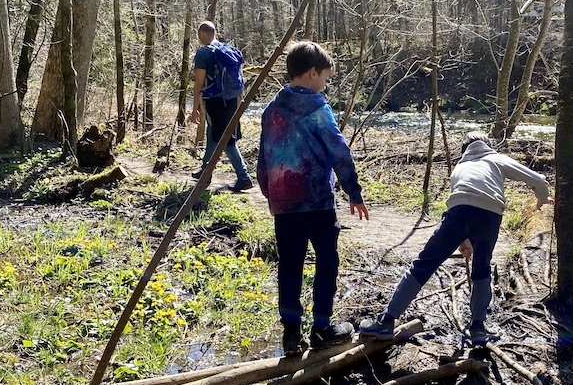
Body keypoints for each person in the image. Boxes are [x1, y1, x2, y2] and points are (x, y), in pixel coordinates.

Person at [360, 134, 552, 345]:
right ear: (486, 146)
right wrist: (541, 200)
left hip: (458, 213)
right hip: (490, 216)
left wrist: (463, 241)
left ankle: (387, 322)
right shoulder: (496, 159)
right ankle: (478, 328)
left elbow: (461, 203)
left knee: (423, 264)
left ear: (464, 151)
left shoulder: (459, 168)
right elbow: (539, 180)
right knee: (482, 269)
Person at [258, 41, 369, 356]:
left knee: (290, 265)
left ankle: (291, 334)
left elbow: (263, 158)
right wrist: (353, 191)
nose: (325, 85)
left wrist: (271, 194)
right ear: (312, 73)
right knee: (327, 260)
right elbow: (339, 151)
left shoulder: (271, 109)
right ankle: (321, 328)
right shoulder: (318, 108)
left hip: (283, 203)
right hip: (317, 201)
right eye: (325, 78)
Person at [189, 20, 254, 191]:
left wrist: (195, 107)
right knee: (214, 133)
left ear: (202, 34)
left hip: (215, 101)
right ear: (215, 33)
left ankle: (243, 176)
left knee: (226, 140)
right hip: (232, 99)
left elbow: (199, 83)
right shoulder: (230, 51)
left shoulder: (203, 53)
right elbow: (240, 79)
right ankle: (205, 171)